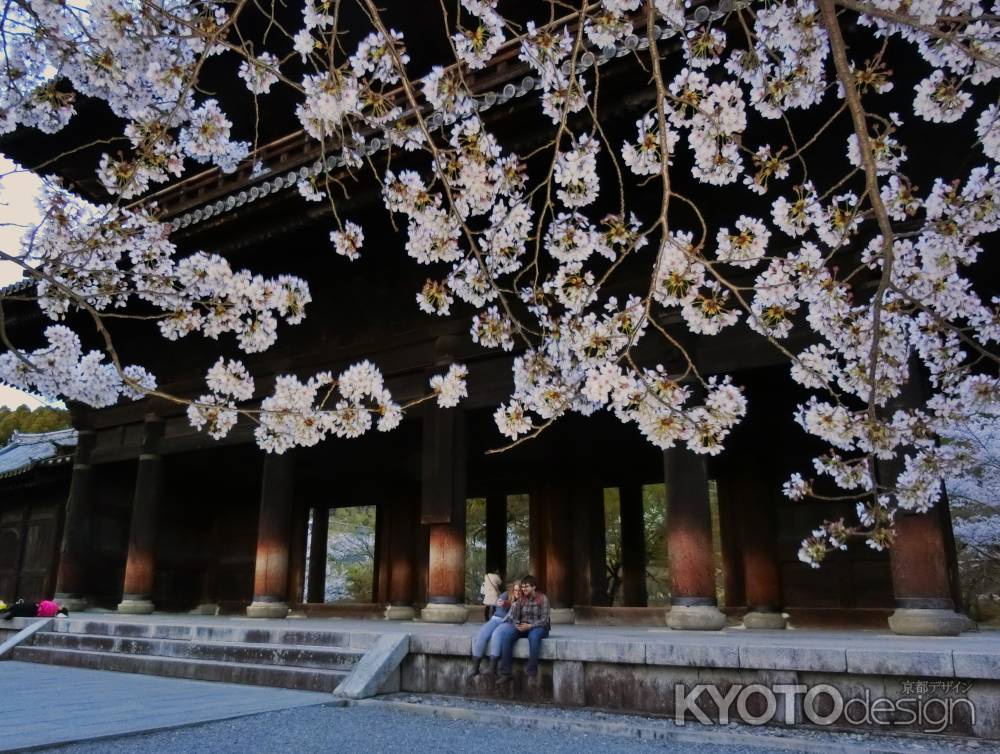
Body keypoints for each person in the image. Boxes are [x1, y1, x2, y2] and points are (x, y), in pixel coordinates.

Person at [494, 575, 549, 685]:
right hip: (523, 626)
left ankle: (532, 670)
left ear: (534, 587)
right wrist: (517, 623)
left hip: (539, 627)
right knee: (507, 636)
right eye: (522, 587)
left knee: (533, 637)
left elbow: (545, 620)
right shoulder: (521, 599)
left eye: (526, 587)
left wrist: (530, 626)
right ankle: (506, 673)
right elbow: (515, 616)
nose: (523, 589)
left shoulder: (543, 598)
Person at [468, 580, 520, 679]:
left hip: (509, 622)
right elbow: (499, 607)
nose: (517, 592)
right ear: (512, 589)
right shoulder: (506, 594)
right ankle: (475, 667)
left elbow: (516, 610)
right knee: (482, 635)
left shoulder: (523, 600)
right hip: (497, 619)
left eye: (519, 591)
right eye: (515, 590)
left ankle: (492, 667)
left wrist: (508, 604)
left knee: (496, 634)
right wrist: (501, 603)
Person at [1, 599, 69, 620]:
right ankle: (11, 613)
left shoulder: (54, 606)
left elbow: (43, 603)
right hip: (34, 613)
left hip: (35, 607)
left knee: (18, 606)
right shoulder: (53, 614)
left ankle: (8, 611)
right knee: (20, 613)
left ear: (61, 608)